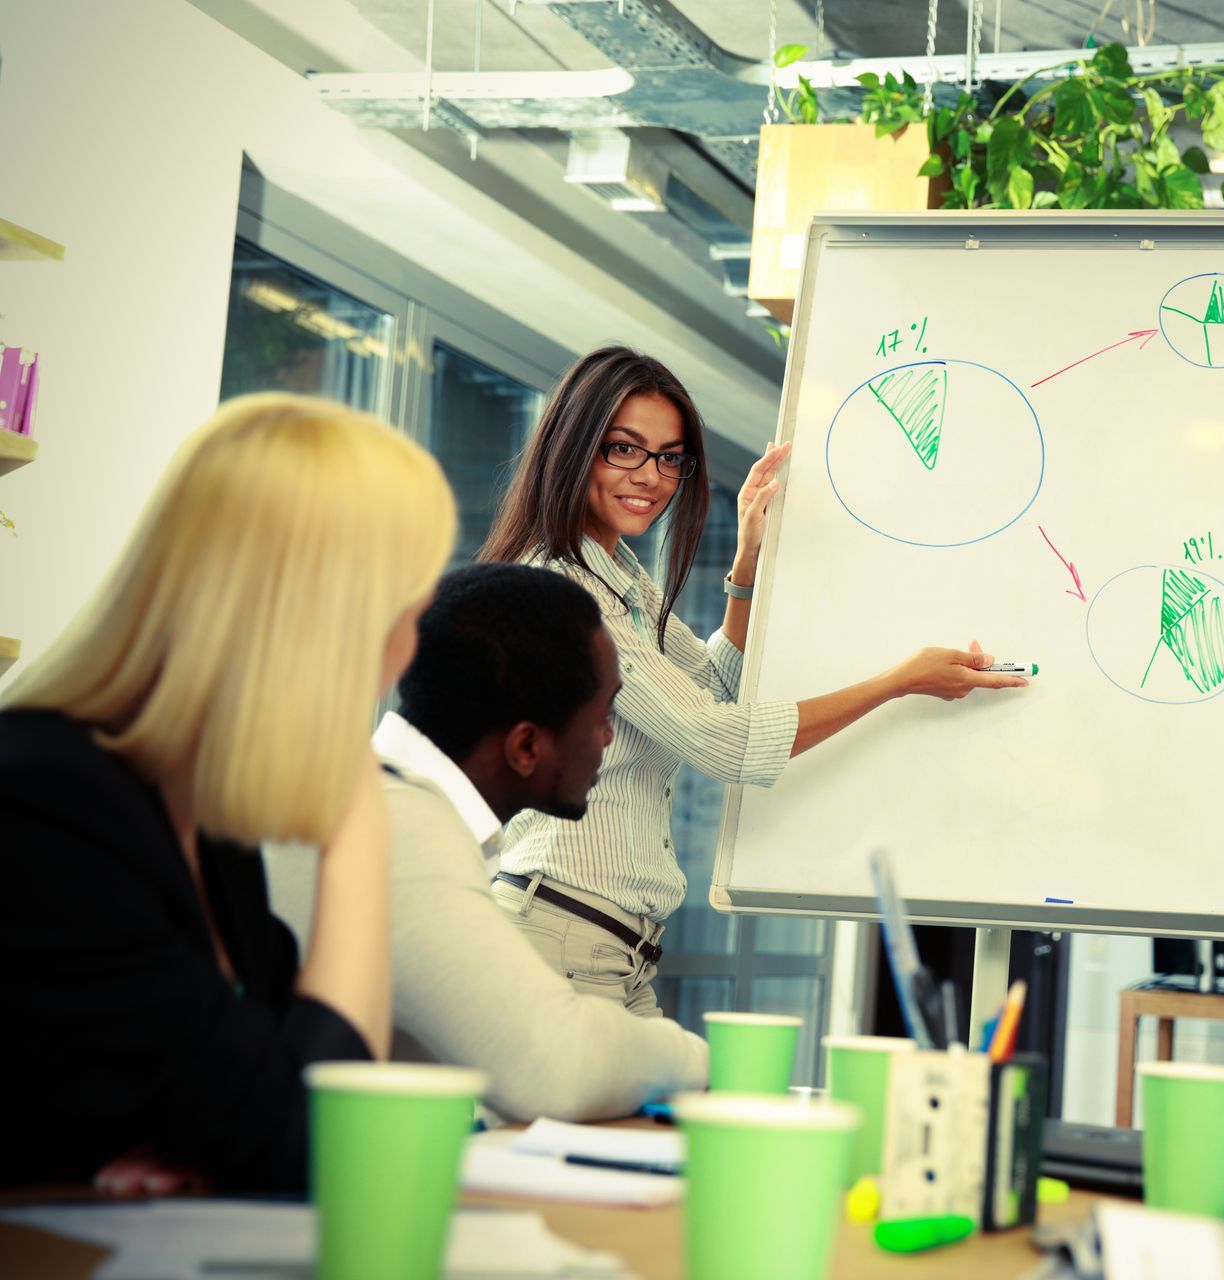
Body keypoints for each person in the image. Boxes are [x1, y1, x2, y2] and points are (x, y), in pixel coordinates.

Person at [478, 346, 1025, 1012]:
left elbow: (712, 685)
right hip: (558, 940)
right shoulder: (566, 588)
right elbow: (724, 741)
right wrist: (897, 683)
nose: (651, 476)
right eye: (625, 449)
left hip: (606, 948)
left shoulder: (620, 580)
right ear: (575, 447)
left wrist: (745, 564)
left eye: (670, 457)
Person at [0, 393, 454, 1193]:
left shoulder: (199, 825)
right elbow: (321, 1136)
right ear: (328, 629)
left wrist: (235, 1145)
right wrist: (358, 814)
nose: (408, 649)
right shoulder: (47, 806)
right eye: (407, 615)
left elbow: (285, 1095)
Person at [267, 563, 709, 1121]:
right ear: (526, 747)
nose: (608, 738)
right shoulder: (400, 831)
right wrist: (696, 1057)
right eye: (604, 715)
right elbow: (556, 1064)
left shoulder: (390, 801)